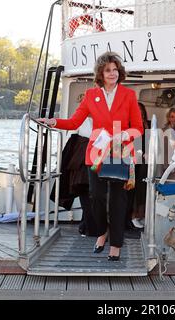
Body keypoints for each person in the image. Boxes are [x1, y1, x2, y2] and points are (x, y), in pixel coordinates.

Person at [38, 52, 143, 261]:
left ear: (119, 72)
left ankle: (115, 245)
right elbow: (74, 123)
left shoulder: (129, 95)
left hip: (120, 153)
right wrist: (53, 122)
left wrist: (122, 135)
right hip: (96, 155)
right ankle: (102, 232)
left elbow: (138, 128)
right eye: (107, 70)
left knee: (118, 201)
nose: (112, 73)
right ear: (101, 74)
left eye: (115, 70)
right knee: (95, 197)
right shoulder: (90, 96)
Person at [50, 117, 97, 237]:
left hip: (87, 156)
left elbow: (70, 135)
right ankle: (89, 227)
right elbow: (70, 133)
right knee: (86, 191)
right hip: (83, 158)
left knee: (88, 192)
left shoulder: (88, 118)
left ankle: (87, 225)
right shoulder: (84, 118)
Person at [125, 102, 149, 230]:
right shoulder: (129, 125)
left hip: (144, 161)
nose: (140, 113)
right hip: (132, 159)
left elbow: (150, 141)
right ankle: (131, 216)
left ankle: (139, 215)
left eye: (141, 111)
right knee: (131, 189)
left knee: (142, 188)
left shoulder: (147, 124)